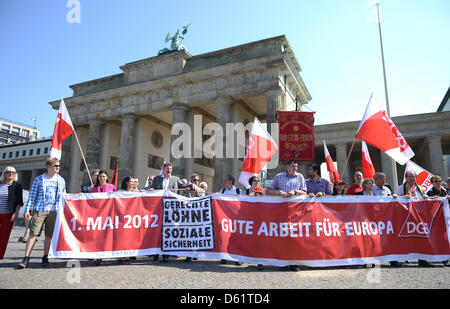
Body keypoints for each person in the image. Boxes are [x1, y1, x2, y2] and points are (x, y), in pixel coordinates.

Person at [17, 157, 66, 269]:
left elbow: (64, 196)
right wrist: (27, 209)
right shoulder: (39, 179)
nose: (58, 167)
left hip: (54, 210)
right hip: (39, 209)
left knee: (49, 235)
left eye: (58, 166)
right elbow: (32, 196)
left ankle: (45, 256)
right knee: (33, 233)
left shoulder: (61, 180)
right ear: (48, 167)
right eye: (55, 166)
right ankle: (26, 257)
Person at [148, 162, 191, 262]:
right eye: (167, 168)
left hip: (171, 209)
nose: (169, 170)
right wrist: (149, 190)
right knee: (158, 231)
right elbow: (152, 188)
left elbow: (182, 186)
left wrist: (190, 187)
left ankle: (166, 254)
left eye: (170, 168)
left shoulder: (175, 179)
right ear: (163, 169)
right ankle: (156, 253)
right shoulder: (157, 179)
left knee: (169, 231)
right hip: (159, 208)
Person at [268, 161, 306, 271]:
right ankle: (282, 262)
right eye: (293, 166)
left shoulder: (300, 177)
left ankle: (293, 262)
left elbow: (305, 191)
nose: (295, 168)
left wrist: (295, 192)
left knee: (294, 236)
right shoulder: (278, 177)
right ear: (287, 166)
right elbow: (270, 190)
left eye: (296, 166)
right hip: (281, 211)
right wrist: (279, 192)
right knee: (282, 236)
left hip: (296, 212)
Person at [395, 170, 433, 267]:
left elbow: (425, 201)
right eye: (409, 177)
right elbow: (395, 200)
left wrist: (426, 197)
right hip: (405, 217)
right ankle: (400, 258)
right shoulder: (400, 188)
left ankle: (422, 259)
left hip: (418, 218)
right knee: (403, 238)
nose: (412, 179)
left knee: (421, 237)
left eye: (413, 177)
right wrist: (402, 197)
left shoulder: (420, 189)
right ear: (406, 178)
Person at [0, 167, 23, 260]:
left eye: (13, 172)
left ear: (15, 174)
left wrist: (16, 213)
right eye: (8, 172)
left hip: (8, 214)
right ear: (4, 174)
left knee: (4, 236)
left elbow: (19, 201)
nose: (10, 174)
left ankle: (0, 255)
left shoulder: (17, 186)